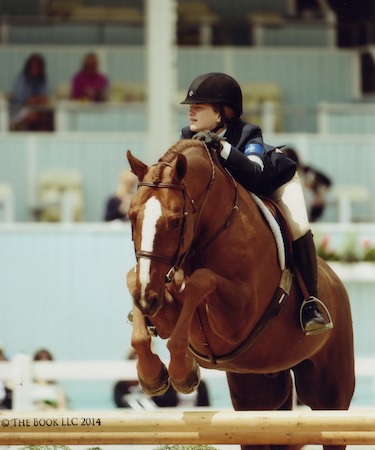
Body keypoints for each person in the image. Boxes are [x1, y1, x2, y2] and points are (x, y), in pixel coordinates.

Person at [180, 72, 332, 336]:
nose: (191, 112)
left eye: (198, 107)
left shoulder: (248, 133)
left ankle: (311, 303)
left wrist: (223, 148)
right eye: (191, 107)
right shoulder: (187, 135)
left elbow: (254, 174)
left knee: (297, 225)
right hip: (238, 193)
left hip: (274, 184)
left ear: (221, 114)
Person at [282, 147, 332, 222]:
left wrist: (320, 195)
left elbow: (327, 181)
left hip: (308, 207)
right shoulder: (284, 175)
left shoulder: (307, 171)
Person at [9, 53, 54, 131]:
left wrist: (35, 100)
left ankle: (43, 138)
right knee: (34, 116)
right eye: (33, 67)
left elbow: (44, 98)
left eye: (37, 67)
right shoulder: (21, 79)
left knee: (49, 115)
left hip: (37, 109)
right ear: (28, 67)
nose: (35, 69)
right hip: (19, 110)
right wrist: (34, 100)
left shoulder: (42, 79)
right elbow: (21, 99)